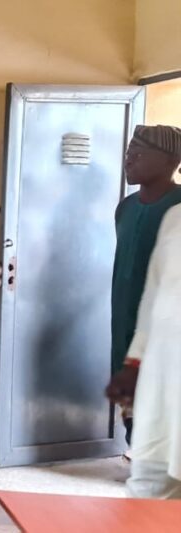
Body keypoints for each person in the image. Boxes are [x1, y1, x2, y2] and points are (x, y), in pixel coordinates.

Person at [110, 125, 181, 446]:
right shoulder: (126, 207)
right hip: (126, 320)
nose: (129, 160)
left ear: (170, 161)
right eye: (128, 153)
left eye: (139, 154)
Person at [106, 203, 181, 499]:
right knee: (149, 487)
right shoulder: (175, 217)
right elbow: (153, 297)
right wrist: (133, 365)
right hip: (164, 372)